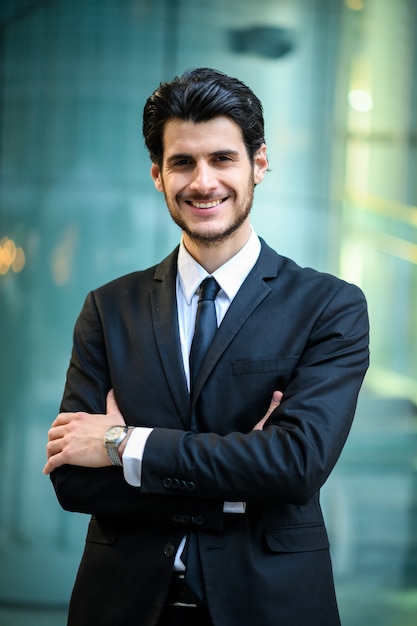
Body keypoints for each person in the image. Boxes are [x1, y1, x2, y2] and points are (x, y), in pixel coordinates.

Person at [44, 68, 369, 626]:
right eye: (182, 162)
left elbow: (295, 468)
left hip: (268, 606)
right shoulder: (107, 308)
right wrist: (242, 473)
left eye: (222, 159)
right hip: (122, 606)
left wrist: (124, 444)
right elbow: (73, 479)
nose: (203, 181)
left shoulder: (329, 306)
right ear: (157, 175)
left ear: (258, 165)